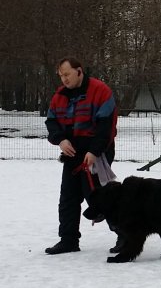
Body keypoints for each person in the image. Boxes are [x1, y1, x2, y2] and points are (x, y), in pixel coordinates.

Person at [44, 57, 120, 254]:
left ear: (79, 71)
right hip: (72, 152)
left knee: (99, 197)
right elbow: (51, 122)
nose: (64, 79)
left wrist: (94, 151)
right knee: (68, 197)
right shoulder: (59, 95)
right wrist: (60, 139)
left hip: (97, 151)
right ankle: (68, 239)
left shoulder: (101, 91)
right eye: (61, 76)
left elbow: (106, 127)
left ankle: (124, 234)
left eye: (67, 74)